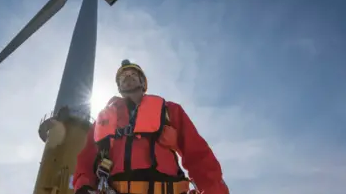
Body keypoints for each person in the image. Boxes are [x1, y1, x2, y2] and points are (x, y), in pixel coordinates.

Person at [73, 60, 229, 194]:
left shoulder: (169, 110)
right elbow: (86, 158)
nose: (128, 78)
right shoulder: (103, 119)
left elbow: (198, 154)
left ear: (143, 82)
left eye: (133, 75)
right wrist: (83, 187)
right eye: (123, 77)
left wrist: (214, 189)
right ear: (118, 87)